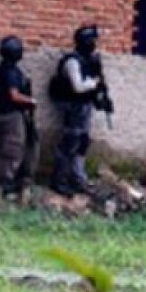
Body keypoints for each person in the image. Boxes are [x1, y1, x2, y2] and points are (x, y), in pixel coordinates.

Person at [50, 25, 108, 196]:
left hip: (84, 107)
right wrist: (94, 83)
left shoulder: (89, 60)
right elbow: (78, 87)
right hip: (74, 108)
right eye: (92, 41)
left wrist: (100, 97)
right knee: (69, 145)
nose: (95, 44)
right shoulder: (72, 61)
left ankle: (78, 180)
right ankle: (59, 181)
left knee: (81, 145)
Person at [0, 35, 39, 197]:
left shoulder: (3, 70)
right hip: (12, 114)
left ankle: (14, 182)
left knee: (21, 147)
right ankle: (5, 184)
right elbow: (14, 95)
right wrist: (31, 101)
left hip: (8, 114)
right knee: (13, 148)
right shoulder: (9, 72)